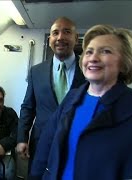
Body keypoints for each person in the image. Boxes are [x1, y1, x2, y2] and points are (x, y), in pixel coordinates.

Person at [30, 24, 132, 180]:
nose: (93, 58)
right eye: (89, 52)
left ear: (125, 61)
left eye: (105, 51)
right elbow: (46, 147)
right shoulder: (72, 98)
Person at [16, 16, 86, 169]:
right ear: (49, 40)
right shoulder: (36, 71)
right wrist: (22, 138)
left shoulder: (88, 70)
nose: (60, 37)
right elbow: (28, 107)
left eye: (66, 32)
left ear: (76, 38)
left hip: (75, 142)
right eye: (55, 33)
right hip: (41, 141)